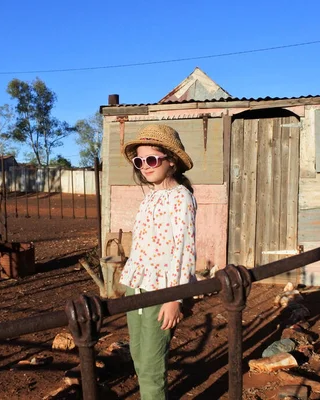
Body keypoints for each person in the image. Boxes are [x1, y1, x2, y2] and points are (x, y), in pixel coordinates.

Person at [119, 124, 197, 399]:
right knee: (138, 354)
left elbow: (184, 249)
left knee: (152, 363)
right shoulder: (150, 198)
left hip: (163, 290)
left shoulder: (181, 198)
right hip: (136, 287)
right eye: (139, 161)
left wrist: (175, 297)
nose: (145, 166)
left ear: (171, 161)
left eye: (151, 159)